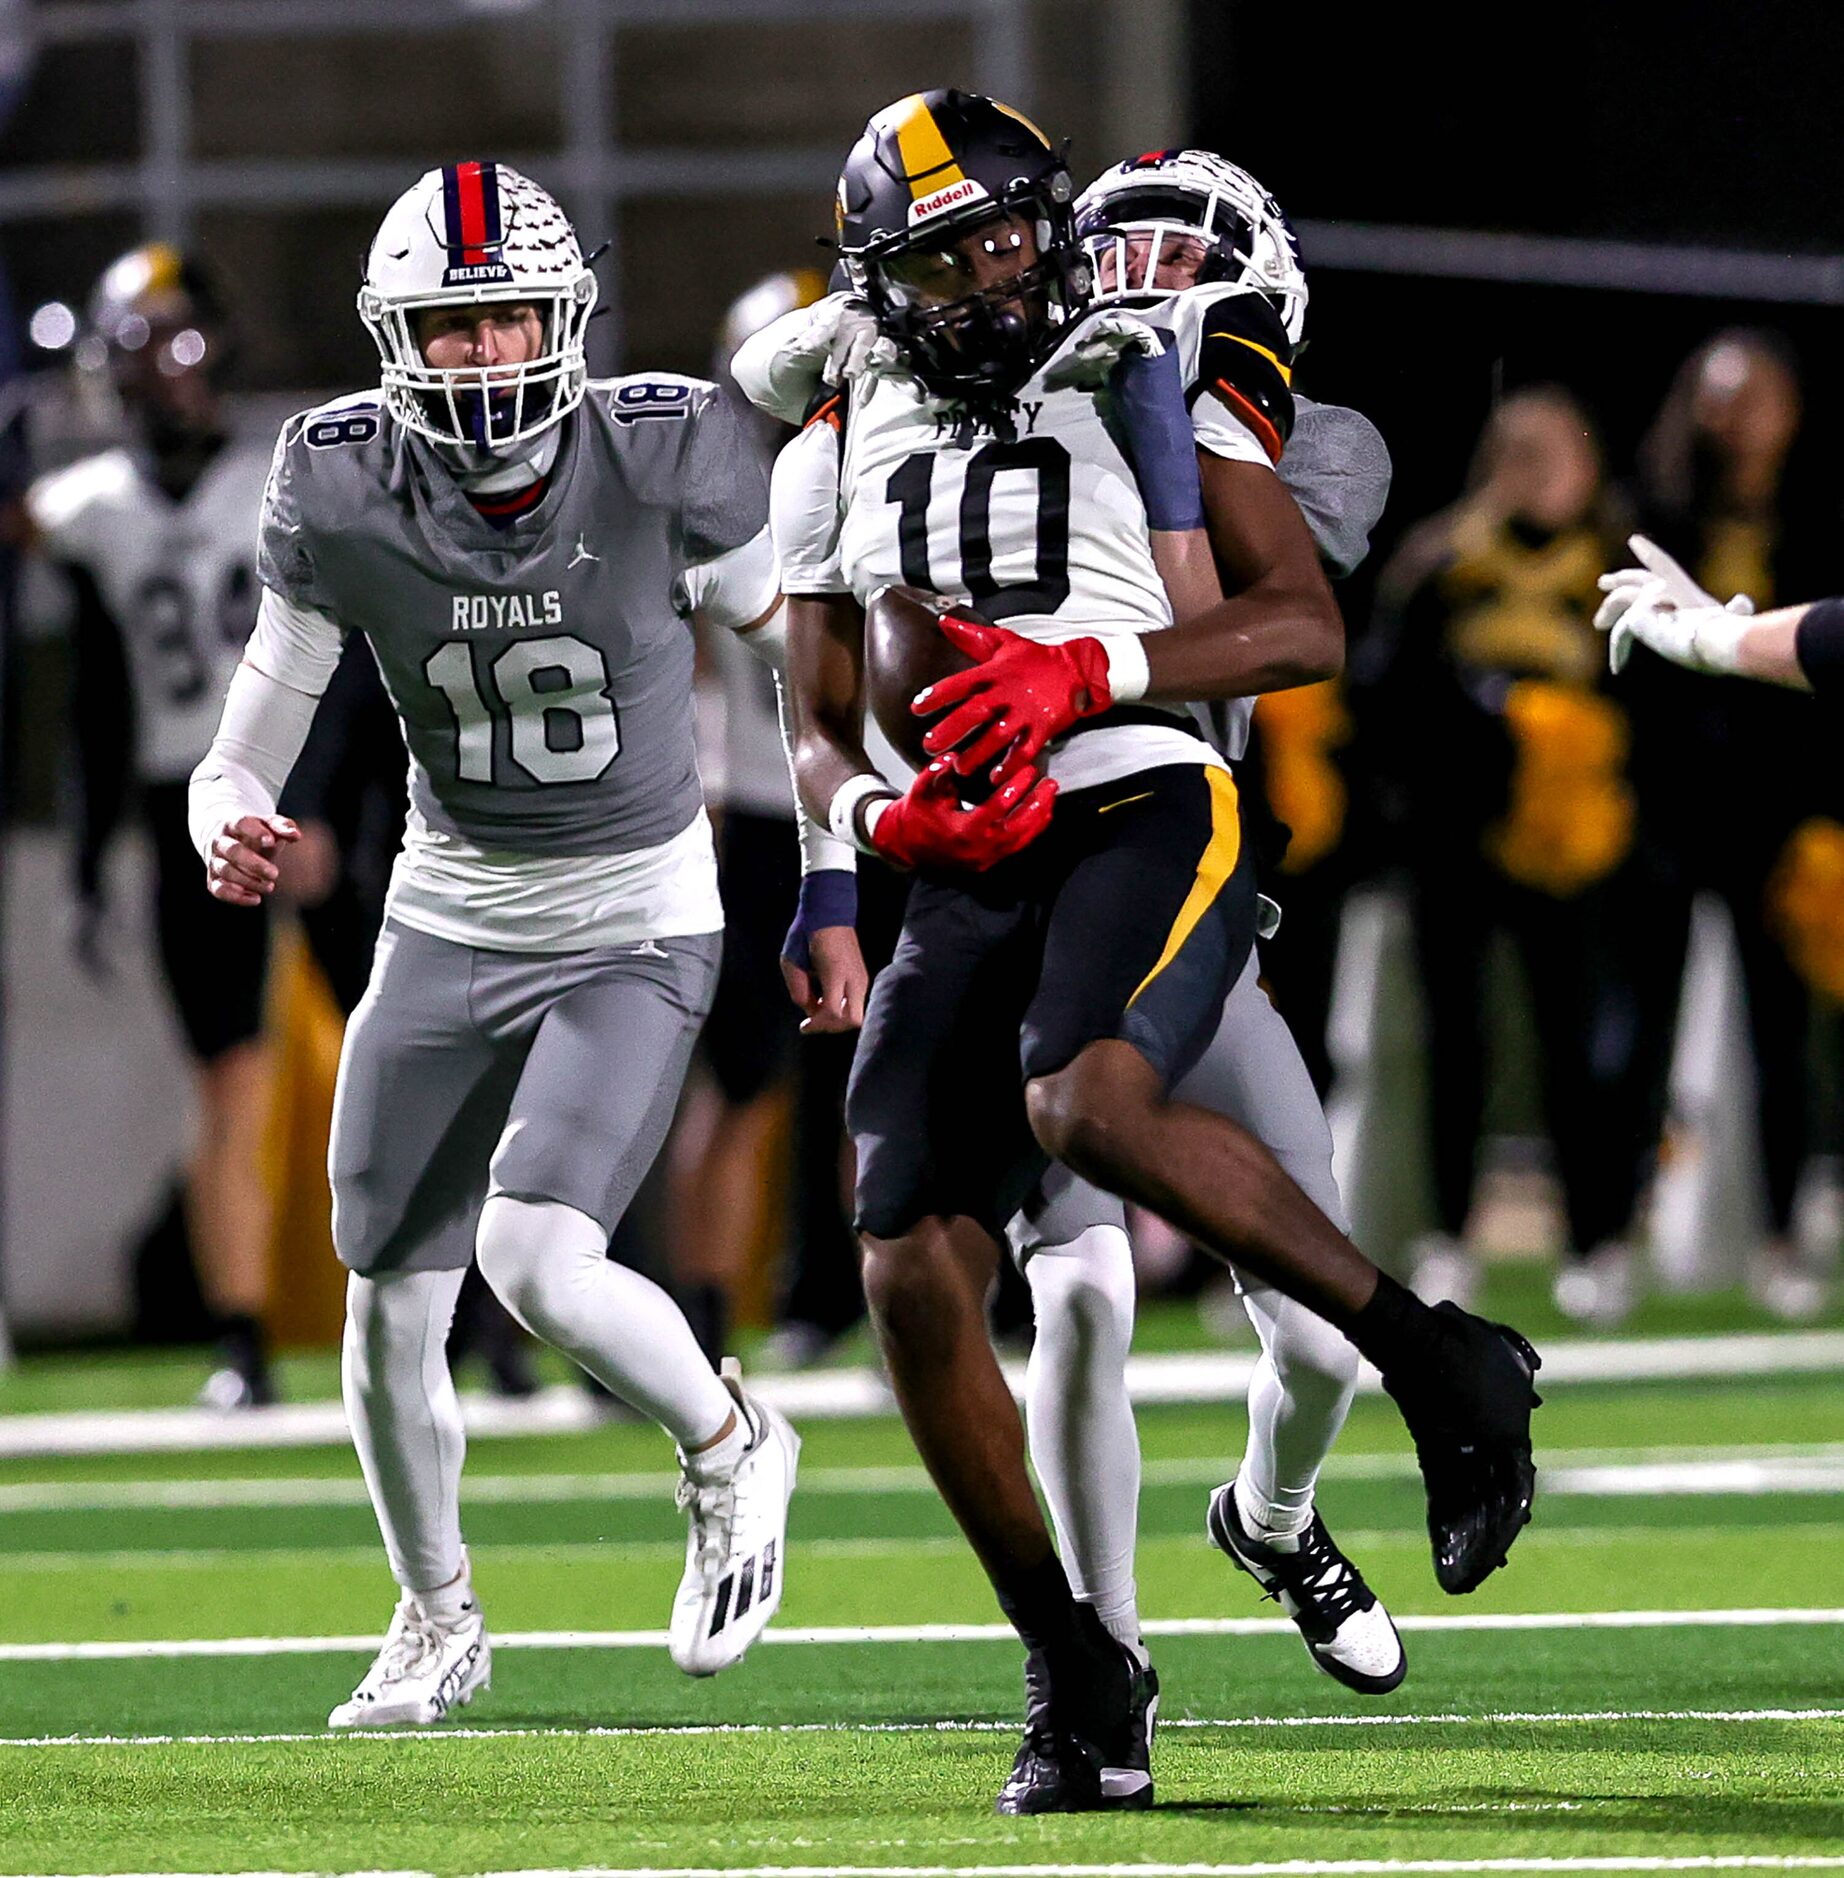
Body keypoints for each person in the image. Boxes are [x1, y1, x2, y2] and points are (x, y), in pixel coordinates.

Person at [749, 90, 1540, 1814]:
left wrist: (1083, 670)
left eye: (1021, 225)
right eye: (952, 248)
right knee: (899, 1255)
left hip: (1141, 795)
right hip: (967, 849)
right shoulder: (825, 433)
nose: (1003, 266)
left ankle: (1433, 1359)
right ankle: (1078, 1662)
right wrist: (878, 828)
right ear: (882, 280)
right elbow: (811, 714)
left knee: (1082, 1100)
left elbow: (1301, 621)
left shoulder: (1152, 360)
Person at [187, 161, 806, 1727]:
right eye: (449, 329)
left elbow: (796, 657)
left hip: (630, 908)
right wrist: (222, 808)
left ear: (566, 319)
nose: (479, 356)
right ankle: (437, 1615)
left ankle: (734, 1445)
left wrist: (836, 861)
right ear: (398, 337)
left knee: (534, 1258)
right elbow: (251, 730)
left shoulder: (663, 448)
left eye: (505, 320)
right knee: (385, 1288)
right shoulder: (335, 482)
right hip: (450, 903)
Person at [25, 244, 281, 1407]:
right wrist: (86, 862)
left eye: (183, 340)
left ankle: (477, 1330)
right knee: (226, 1080)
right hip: (189, 806)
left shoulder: (286, 474)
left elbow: (366, 656)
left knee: (428, 1060)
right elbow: (93, 706)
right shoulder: (92, 512)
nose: (167, 372)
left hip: (312, 790)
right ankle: (242, 1341)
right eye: (139, 348)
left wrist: (330, 802)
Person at [1361, 387, 1654, 1325]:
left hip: (1577, 851)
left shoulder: (1614, 562)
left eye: (1556, 457)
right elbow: (1381, 696)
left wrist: (1589, 776)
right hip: (1461, 843)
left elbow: (1656, 700)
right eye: (1520, 455)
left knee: (1583, 1048)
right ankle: (1448, 1237)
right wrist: (1480, 742)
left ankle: (1596, 1242)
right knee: (1458, 1046)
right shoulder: (1442, 559)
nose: (1541, 476)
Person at [1607, 334, 1829, 1319]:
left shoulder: (1817, 510)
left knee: (1781, 1039)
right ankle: (1606, 1235)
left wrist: (1714, 638)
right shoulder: (1651, 514)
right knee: (1628, 1032)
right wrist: (1710, 638)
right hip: (1665, 811)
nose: (1733, 422)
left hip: (1777, 811)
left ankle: (1784, 1235)